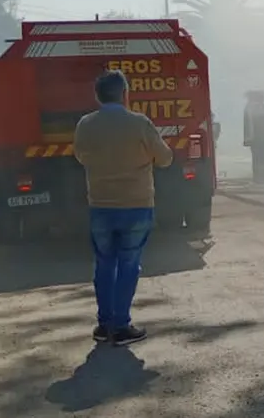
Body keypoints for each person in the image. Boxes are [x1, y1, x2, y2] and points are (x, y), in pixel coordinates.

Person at [74, 70, 173, 346]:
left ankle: (104, 324)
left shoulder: (86, 124)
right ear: (125, 94)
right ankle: (121, 326)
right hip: (136, 205)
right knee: (129, 264)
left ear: (97, 96)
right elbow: (165, 158)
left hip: (100, 205)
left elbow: (81, 156)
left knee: (104, 264)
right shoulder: (139, 123)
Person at [243, 90, 264, 183]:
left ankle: (259, 177)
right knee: (263, 157)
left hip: (256, 138)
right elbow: (263, 119)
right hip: (260, 138)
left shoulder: (250, 107)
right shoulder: (256, 107)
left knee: (258, 158)